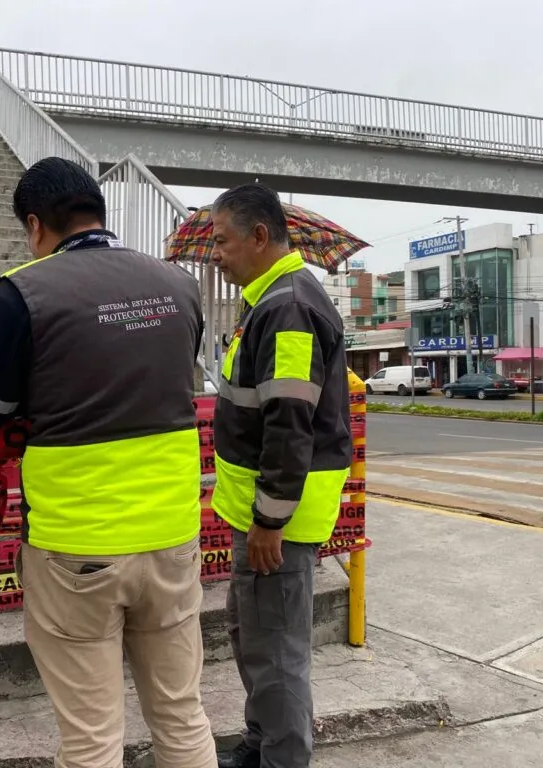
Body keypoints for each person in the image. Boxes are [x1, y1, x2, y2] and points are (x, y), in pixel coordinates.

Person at [0, 157, 217, 768]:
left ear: (36, 224)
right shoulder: (178, 285)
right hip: (173, 536)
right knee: (182, 715)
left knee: (93, 738)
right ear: (98, 210)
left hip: (77, 549)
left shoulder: (22, 293)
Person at [208, 184, 351, 768]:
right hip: (262, 513)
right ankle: (261, 741)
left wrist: (270, 519)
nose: (215, 254)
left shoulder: (287, 306)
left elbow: (290, 420)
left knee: (277, 651)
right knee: (254, 638)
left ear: (260, 236)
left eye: (222, 241)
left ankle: (283, 757)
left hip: (279, 522)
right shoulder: (267, 301)